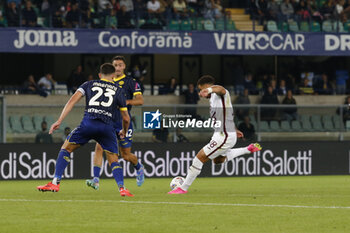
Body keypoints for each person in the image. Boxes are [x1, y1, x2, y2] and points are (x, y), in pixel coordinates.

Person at [37, 63, 134, 197]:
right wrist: (124, 130)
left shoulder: (88, 84)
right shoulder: (118, 90)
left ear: (100, 75)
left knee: (66, 148)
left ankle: (55, 182)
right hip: (107, 128)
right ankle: (122, 188)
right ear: (113, 76)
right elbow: (126, 118)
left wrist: (59, 120)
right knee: (113, 159)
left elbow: (72, 101)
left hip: (88, 124)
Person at [168, 75, 262, 194]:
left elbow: (221, 90)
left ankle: (183, 188)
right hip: (225, 133)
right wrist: (234, 129)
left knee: (199, 158)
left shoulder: (220, 92)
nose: (200, 93)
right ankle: (247, 149)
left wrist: (210, 90)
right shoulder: (213, 99)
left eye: (201, 89)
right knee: (218, 160)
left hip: (224, 136)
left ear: (207, 86)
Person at [86, 56, 145, 190]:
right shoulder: (106, 82)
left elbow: (140, 100)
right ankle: (95, 179)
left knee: (125, 155)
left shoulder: (131, 82)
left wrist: (125, 103)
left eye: (120, 65)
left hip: (124, 121)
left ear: (124, 67)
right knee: (99, 147)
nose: (118, 68)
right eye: (115, 65)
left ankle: (139, 167)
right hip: (107, 120)